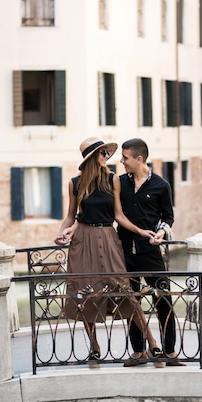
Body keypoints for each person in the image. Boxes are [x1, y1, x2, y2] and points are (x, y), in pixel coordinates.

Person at [55, 136, 164, 368]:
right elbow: (71, 215)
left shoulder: (113, 180)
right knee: (85, 294)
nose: (107, 157)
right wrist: (62, 232)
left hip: (109, 238)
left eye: (107, 153)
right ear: (94, 158)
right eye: (103, 154)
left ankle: (152, 342)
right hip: (83, 241)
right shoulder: (74, 183)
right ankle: (94, 348)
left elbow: (119, 215)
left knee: (125, 291)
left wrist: (141, 231)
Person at [117, 137, 185, 366]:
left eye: (125, 158)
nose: (122, 161)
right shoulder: (119, 183)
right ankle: (139, 352)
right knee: (131, 301)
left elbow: (168, 217)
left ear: (139, 158)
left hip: (151, 252)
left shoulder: (161, 185)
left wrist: (162, 232)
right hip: (124, 251)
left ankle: (170, 352)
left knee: (163, 299)